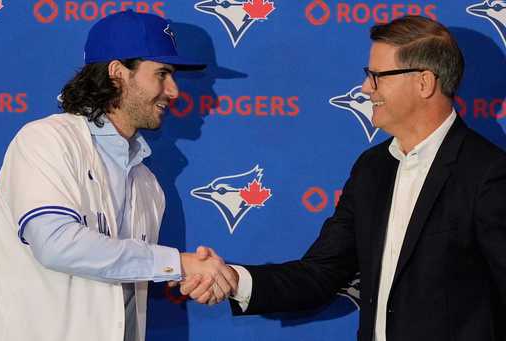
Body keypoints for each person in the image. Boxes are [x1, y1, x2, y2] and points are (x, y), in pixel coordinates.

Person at [179, 15, 506, 340]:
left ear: (424, 82)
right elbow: (320, 273)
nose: (366, 87)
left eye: (377, 76)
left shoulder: (487, 172)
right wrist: (234, 280)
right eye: (369, 75)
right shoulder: (372, 168)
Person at [0, 10, 236, 341]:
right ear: (118, 73)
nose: (174, 90)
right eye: (162, 73)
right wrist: (178, 264)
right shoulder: (47, 140)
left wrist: (193, 276)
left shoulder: (149, 185)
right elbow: (54, 243)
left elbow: (128, 271)